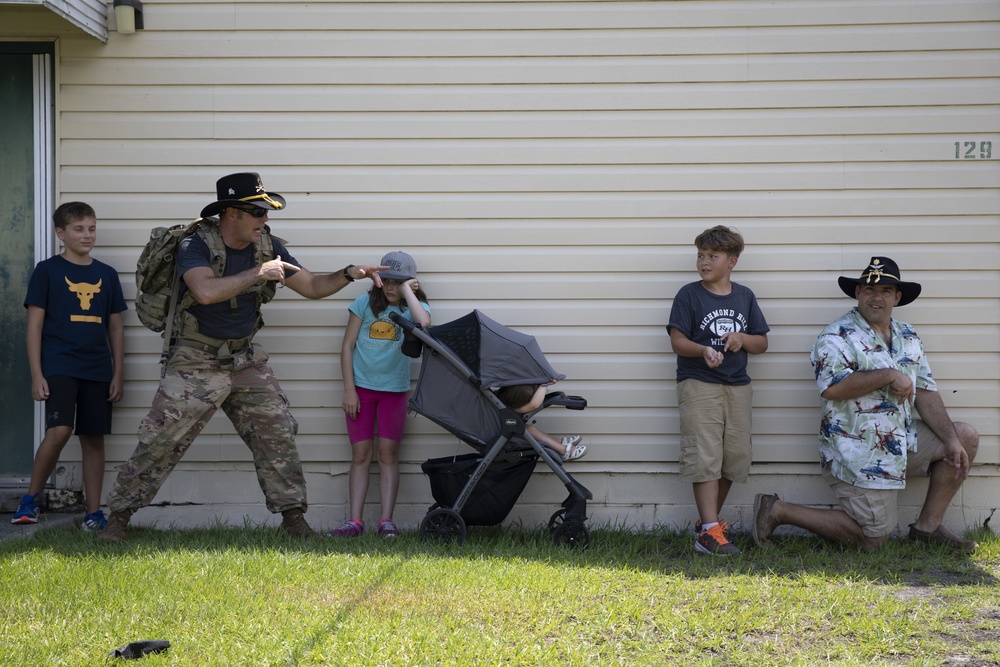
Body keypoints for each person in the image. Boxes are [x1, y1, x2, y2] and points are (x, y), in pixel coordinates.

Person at [98, 172, 387, 543]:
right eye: (258, 212)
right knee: (160, 440)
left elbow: (312, 286)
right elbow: (203, 291)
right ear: (231, 213)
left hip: (245, 359)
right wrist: (259, 273)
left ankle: (294, 521)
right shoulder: (194, 245)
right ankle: (119, 517)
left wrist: (350, 274)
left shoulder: (268, 246)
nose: (265, 219)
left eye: (266, 212)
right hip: (195, 358)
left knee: (277, 433)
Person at [753, 257, 979, 553]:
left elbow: (925, 392)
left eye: (886, 290)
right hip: (856, 450)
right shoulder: (836, 336)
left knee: (964, 437)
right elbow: (832, 389)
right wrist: (887, 375)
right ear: (857, 292)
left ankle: (927, 529)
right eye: (870, 289)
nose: (877, 297)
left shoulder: (908, 336)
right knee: (873, 541)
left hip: (900, 441)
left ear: (897, 298)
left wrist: (950, 440)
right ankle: (777, 509)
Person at [13, 202, 127, 531]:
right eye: (79, 229)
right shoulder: (46, 271)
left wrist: (118, 372)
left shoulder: (106, 274)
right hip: (60, 364)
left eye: (91, 228)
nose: (87, 235)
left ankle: (93, 513)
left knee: (93, 437)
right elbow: (34, 325)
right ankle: (31, 499)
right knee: (60, 430)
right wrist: (37, 373)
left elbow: (116, 327)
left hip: (98, 368)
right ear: (60, 233)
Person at [667, 225, 769, 556]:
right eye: (700, 255)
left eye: (713, 256)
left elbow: (762, 342)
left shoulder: (744, 296)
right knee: (705, 455)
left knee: (733, 458)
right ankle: (711, 531)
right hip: (699, 383)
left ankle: (707, 528)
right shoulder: (689, 295)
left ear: (732, 261)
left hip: (737, 386)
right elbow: (677, 341)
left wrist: (742, 339)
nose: (704, 262)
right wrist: (702, 350)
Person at [330, 251, 432, 538]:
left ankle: (387, 521)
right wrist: (349, 390)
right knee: (361, 454)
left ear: (409, 282)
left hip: (394, 393)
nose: (389, 287)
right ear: (377, 278)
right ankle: (355, 521)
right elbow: (347, 347)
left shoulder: (415, 306)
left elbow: (424, 324)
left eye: (397, 282)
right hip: (361, 390)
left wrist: (407, 293)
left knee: (388, 455)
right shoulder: (364, 304)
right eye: (386, 280)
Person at [495, 383, 587, 461]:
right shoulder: (516, 408)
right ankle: (563, 450)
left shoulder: (505, 402)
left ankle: (560, 442)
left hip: (504, 428)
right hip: (502, 436)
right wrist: (544, 384)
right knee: (528, 429)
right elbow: (535, 404)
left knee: (529, 428)